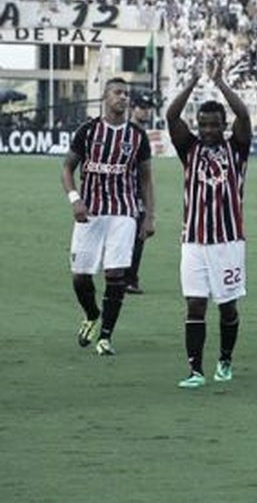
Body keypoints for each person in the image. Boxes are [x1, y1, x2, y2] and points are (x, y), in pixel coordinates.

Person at [165, 61, 252, 389]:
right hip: (194, 240)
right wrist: (190, 82)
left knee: (227, 306)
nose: (208, 130)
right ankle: (195, 370)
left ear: (222, 125)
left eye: (214, 125)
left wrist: (220, 82)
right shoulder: (189, 149)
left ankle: (225, 359)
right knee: (195, 303)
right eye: (203, 125)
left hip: (229, 242)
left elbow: (244, 116)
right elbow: (171, 117)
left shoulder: (237, 149)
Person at [63, 77, 155, 356]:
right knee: (81, 276)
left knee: (116, 275)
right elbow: (67, 168)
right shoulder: (88, 131)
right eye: (118, 92)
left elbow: (147, 180)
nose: (123, 97)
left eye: (126, 94)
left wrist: (149, 216)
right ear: (105, 97)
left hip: (124, 212)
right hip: (89, 212)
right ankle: (92, 314)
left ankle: (105, 337)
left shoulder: (137, 137)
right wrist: (75, 199)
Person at [124, 92, 156, 295]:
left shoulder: (139, 134)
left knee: (136, 238)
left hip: (135, 193)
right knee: (133, 238)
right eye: (142, 107)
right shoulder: (131, 133)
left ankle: (128, 278)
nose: (145, 111)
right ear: (132, 108)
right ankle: (127, 279)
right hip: (127, 193)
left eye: (148, 107)